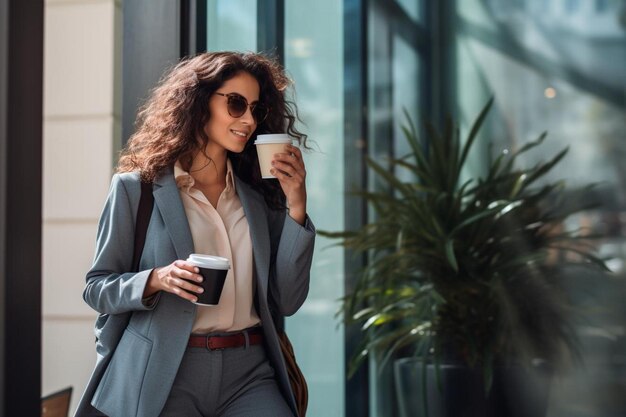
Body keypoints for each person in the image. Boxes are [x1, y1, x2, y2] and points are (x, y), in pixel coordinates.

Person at [74, 51, 315, 417]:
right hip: (166, 372)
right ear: (199, 103)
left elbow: (287, 301)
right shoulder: (135, 190)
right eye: (236, 104)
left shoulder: (258, 197)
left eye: (256, 108)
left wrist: (296, 205)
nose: (248, 119)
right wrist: (156, 279)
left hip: (250, 371)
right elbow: (97, 288)